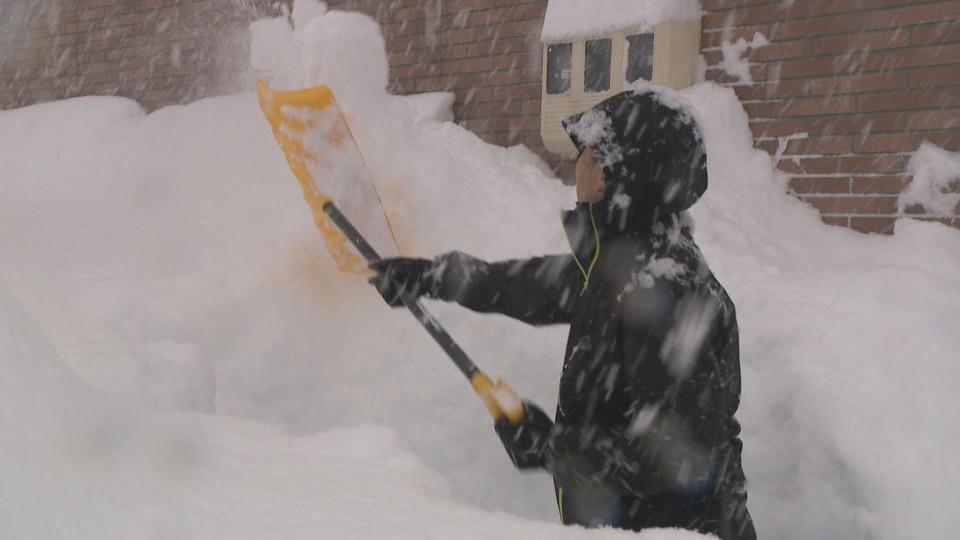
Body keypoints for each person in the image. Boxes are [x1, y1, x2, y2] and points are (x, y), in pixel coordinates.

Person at [368, 89, 756, 539]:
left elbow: (678, 459)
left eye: (589, 153)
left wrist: (557, 448)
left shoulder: (667, 290)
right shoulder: (626, 266)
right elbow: (528, 286)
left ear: (614, 175)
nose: (579, 166)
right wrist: (432, 276)